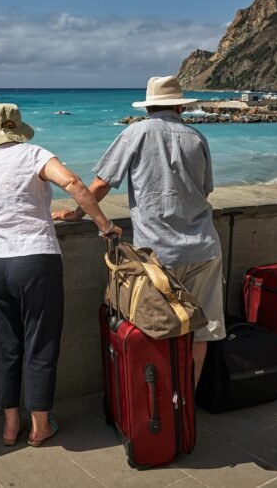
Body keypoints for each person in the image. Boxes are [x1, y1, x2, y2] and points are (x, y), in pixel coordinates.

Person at [53, 76, 225, 388]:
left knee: (158, 328)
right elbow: (206, 190)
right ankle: (186, 402)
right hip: (204, 247)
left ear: (148, 107)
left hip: (158, 254)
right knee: (204, 330)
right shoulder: (197, 137)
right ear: (179, 106)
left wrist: (77, 213)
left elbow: (102, 182)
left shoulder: (136, 132)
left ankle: (161, 405)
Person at [0, 102, 122, 448]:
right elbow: (73, 182)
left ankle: (9, 426)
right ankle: (39, 426)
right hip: (35, 259)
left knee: (6, 345)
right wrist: (104, 225)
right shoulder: (35, 155)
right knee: (40, 341)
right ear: (19, 129)